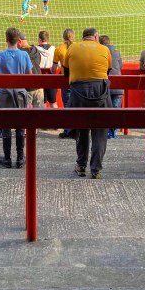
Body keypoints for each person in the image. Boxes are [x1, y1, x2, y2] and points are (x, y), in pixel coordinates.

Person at [63, 27, 112, 179]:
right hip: (100, 91)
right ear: (96, 37)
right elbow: (108, 71)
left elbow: (66, 72)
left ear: (83, 37)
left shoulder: (72, 48)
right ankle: (96, 169)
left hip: (78, 91)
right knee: (100, 131)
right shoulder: (104, 49)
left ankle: (81, 165)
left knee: (81, 129)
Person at [0, 27, 32, 169]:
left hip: (5, 94)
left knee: (6, 125)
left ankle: (7, 158)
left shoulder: (1, 55)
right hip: (20, 94)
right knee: (20, 125)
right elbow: (30, 76)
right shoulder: (24, 55)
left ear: (6, 40)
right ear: (18, 40)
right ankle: (20, 158)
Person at [52, 28, 75, 138]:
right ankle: (77, 130)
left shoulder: (59, 49)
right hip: (77, 79)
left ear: (63, 37)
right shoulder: (78, 47)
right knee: (77, 105)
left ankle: (68, 131)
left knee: (67, 105)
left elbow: (53, 68)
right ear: (73, 36)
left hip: (65, 80)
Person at [99, 35, 123, 139]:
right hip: (118, 87)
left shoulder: (100, 52)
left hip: (105, 86)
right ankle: (113, 132)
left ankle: (107, 131)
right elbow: (120, 66)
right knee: (115, 110)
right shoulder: (117, 53)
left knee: (105, 110)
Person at [18, 32, 43, 109]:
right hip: (39, 86)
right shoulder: (36, 49)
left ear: (19, 41)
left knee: (25, 115)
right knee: (40, 114)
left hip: (26, 88)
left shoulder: (20, 53)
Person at [36, 30, 57, 109]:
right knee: (53, 103)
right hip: (51, 78)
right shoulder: (53, 49)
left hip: (40, 79)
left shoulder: (35, 49)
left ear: (40, 40)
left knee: (42, 104)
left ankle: (43, 121)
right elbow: (57, 65)